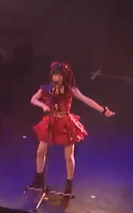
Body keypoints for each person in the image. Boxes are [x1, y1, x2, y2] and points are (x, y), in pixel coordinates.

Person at [27, 62, 114, 196]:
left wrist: (103, 110)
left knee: (68, 156)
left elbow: (86, 100)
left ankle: (69, 183)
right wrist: (43, 106)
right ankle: (39, 178)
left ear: (64, 76)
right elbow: (33, 99)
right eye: (54, 75)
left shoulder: (70, 89)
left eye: (59, 76)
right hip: (51, 121)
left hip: (66, 122)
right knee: (40, 152)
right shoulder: (47, 88)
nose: (56, 78)